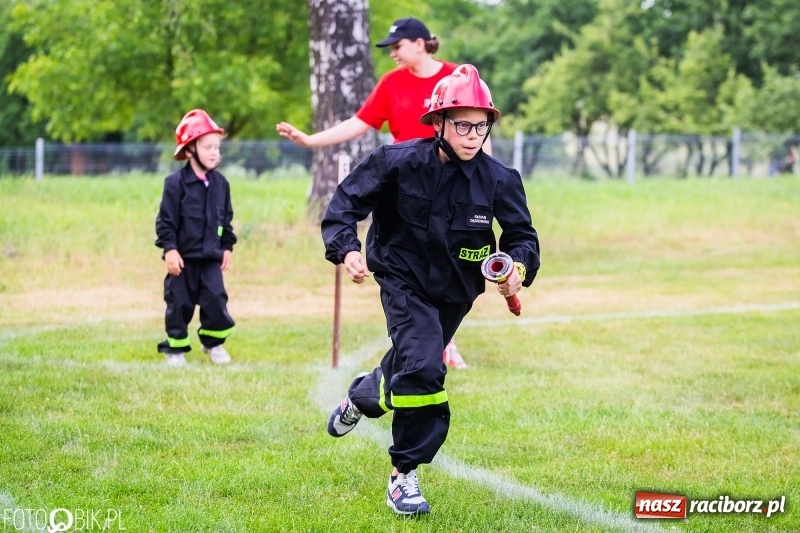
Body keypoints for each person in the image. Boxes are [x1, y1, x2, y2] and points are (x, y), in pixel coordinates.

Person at [321, 65, 540, 515]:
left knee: (410, 362)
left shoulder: (500, 179)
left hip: (457, 292)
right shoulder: (395, 162)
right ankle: (404, 475)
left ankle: (361, 396)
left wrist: (517, 267)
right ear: (438, 122)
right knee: (424, 366)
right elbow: (344, 205)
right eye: (463, 124)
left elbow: (522, 236)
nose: (473, 135)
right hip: (401, 280)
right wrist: (346, 249)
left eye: (481, 125)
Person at [277, 16, 485, 369]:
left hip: (451, 186)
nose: (393, 54)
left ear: (419, 43)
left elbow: (478, 132)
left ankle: (442, 341)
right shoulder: (391, 84)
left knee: (448, 264)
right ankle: (425, 343)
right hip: (407, 192)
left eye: (397, 46)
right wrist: (311, 141)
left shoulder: (458, 77)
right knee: (409, 265)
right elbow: (359, 123)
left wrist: (485, 183)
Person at [155, 109, 237, 366]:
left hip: (211, 258)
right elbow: (165, 221)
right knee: (179, 303)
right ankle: (176, 349)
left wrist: (227, 247)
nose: (214, 153)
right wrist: (170, 249)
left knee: (216, 300)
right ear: (190, 150)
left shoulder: (221, 184)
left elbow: (225, 220)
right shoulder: (174, 184)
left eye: (217, 147)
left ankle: (213, 344)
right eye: (207, 147)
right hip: (182, 261)